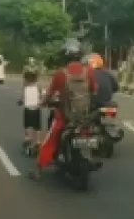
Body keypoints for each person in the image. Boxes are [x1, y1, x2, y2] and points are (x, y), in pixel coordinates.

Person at [31, 38, 98, 180]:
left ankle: (38, 171)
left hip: (65, 116)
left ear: (65, 56)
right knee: (90, 133)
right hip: (85, 116)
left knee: (50, 141)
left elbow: (49, 94)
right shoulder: (89, 72)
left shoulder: (61, 74)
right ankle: (88, 157)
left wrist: (43, 103)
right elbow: (94, 91)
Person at [19, 69, 42, 152]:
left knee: (27, 124)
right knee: (37, 126)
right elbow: (41, 95)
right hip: (36, 108)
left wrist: (20, 101)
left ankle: (28, 138)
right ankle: (38, 141)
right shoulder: (38, 85)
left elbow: (22, 97)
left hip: (28, 108)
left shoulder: (25, 86)